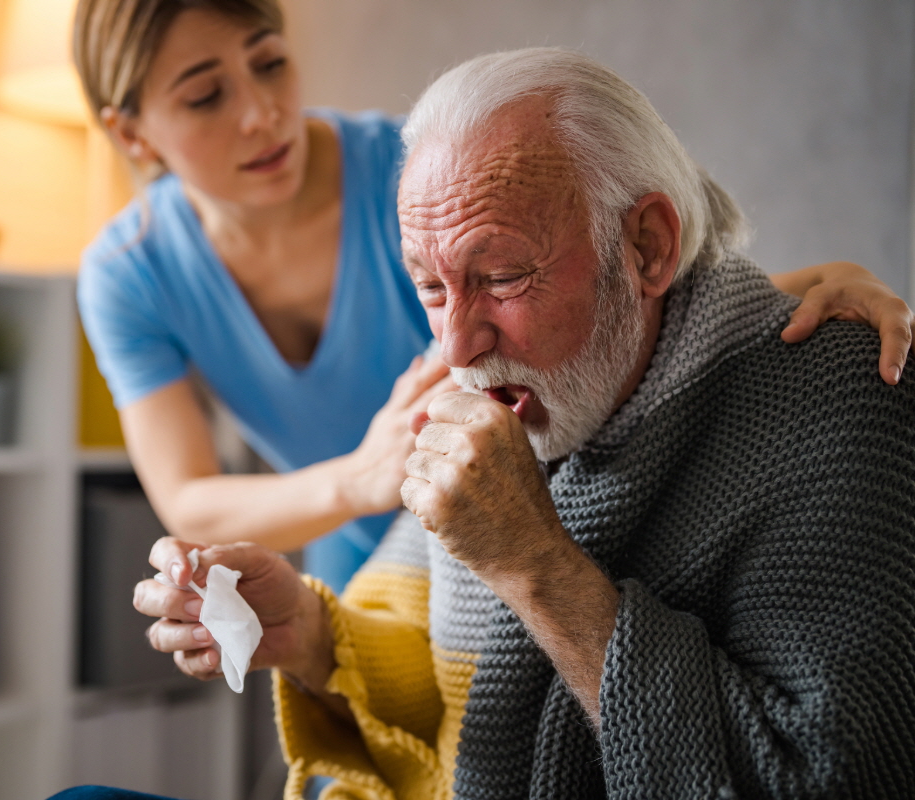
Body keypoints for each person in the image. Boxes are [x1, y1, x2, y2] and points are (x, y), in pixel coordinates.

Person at [131, 48, 915, 799]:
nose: (456, 345)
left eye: (502, 277)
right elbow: (435, 657)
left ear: (647, 246)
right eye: (431, 287)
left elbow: (827, 775)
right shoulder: (501, 391)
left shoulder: (837, 402)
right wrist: (306, 633)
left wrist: (533, 564)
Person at [74, 0, 914, 594]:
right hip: (358, 565)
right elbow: (187, 499)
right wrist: (361, 482)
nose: (262, 114)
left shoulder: (412, 176)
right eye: (206, 94)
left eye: (269, 63)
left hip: (518, 535)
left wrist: (808, 284)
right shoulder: (126, 274)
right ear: (131, 131)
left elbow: (612, 294)